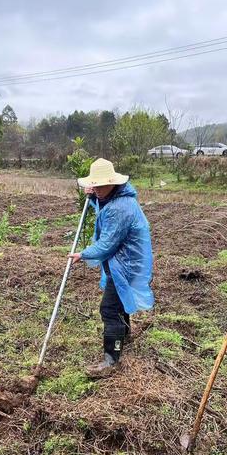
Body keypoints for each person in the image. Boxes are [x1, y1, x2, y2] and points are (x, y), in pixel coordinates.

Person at [68, 158, 154, 378]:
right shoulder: (118, 197)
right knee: (120, 304)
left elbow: (107, 243)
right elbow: (105, 207)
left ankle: (111, 359)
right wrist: (95, 196)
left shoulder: (119, 208)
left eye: (99, 185)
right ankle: (124, 335)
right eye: (93, 185)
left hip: (126, 265)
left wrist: (83, 254)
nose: (96, 189)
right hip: (128, 262)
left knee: (108, 309)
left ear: (112, 183)